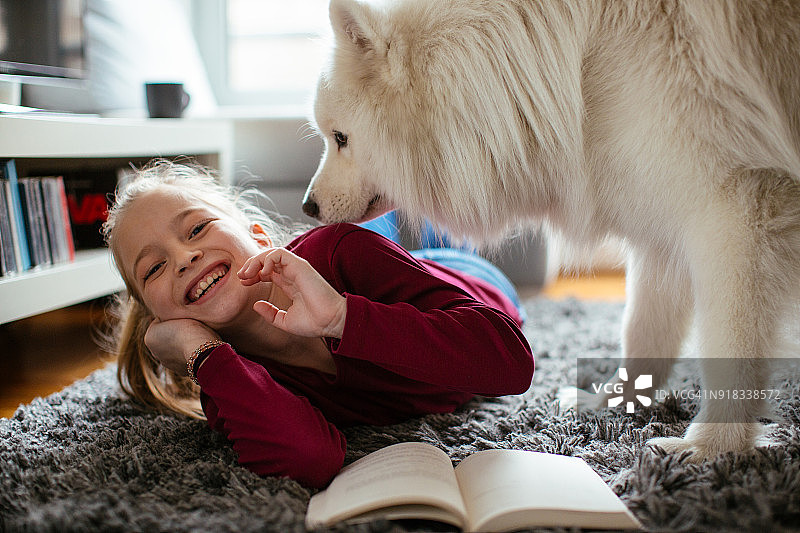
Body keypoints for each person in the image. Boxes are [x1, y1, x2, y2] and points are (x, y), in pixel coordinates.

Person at [102, 160, 534, 488]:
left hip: (472, 280)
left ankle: (394, 233)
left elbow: (510, 362)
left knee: (392, 236)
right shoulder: (227, 382)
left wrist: (343, 318)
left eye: (197, 228)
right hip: (380, 281)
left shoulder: (342, 252)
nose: (183, 258)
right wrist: (204, 354)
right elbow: (310, 459)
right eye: (154, 268)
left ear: (259, 237)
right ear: (158, 317)